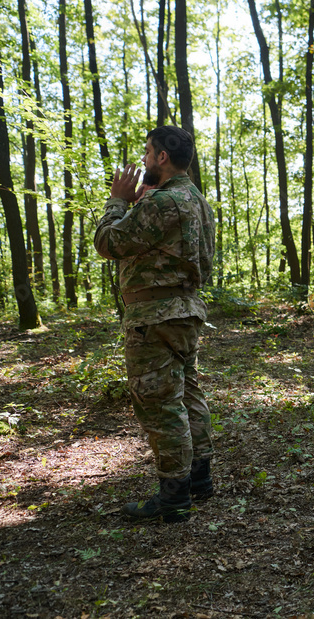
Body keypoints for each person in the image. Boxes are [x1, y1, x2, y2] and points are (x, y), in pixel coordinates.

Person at [94, 125, 216, 523]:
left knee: (161, 405)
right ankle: (199, 478)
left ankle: (174, 496)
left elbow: (109, 243)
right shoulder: (196, 199)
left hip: (155, 316)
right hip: (184, 311)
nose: (145, 159)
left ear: (162, 157)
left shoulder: (162, 202)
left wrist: (117, 202)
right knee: (187, 394)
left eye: (148, 152)